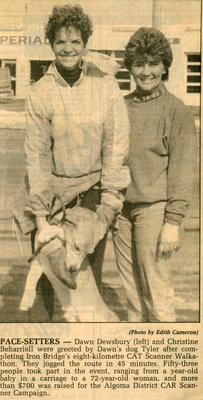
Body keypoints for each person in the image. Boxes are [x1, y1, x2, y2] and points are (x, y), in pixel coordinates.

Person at [24, 4, 130, 312]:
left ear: (85, 42)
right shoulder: (40, 91)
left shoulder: (105, 85)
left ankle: (86, 346)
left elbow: (116, 147)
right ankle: (39, 351)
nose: (68, 48)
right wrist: (42, 220)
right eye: (60, 41)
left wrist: (108, 205)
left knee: (86, 284)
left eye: (75, 41)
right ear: (51, 43)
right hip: (53, 197)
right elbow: (37, 156)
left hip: (93, 196)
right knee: (48, 279)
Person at [112, 27, 196, 322]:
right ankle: (140, 362)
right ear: (130, 67)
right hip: (120, 213)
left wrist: (172, 222)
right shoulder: (120, 107)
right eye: (139, 64)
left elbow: (183, 171)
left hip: (155, 212)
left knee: (157, 295)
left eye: (153, 63)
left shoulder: (177, 111)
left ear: (164, 66)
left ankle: (164, 361)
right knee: (132, 297)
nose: (145, 71)